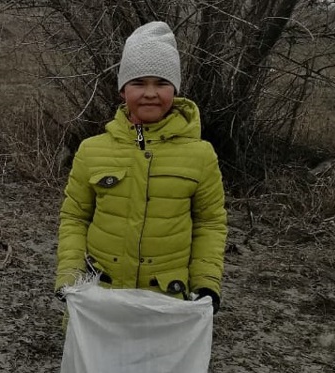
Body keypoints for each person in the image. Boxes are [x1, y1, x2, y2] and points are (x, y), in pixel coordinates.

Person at [55, 21, 227, 310]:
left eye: (161, 83)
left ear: (175, 89)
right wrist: (70, 276)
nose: (150, 93)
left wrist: (206, 282)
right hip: (98, 301)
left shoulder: (201, 155)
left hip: (167, 302)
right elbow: (75, 218)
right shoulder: (91, 150)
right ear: (123, 90)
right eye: (138, 83)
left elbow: (210, 223)